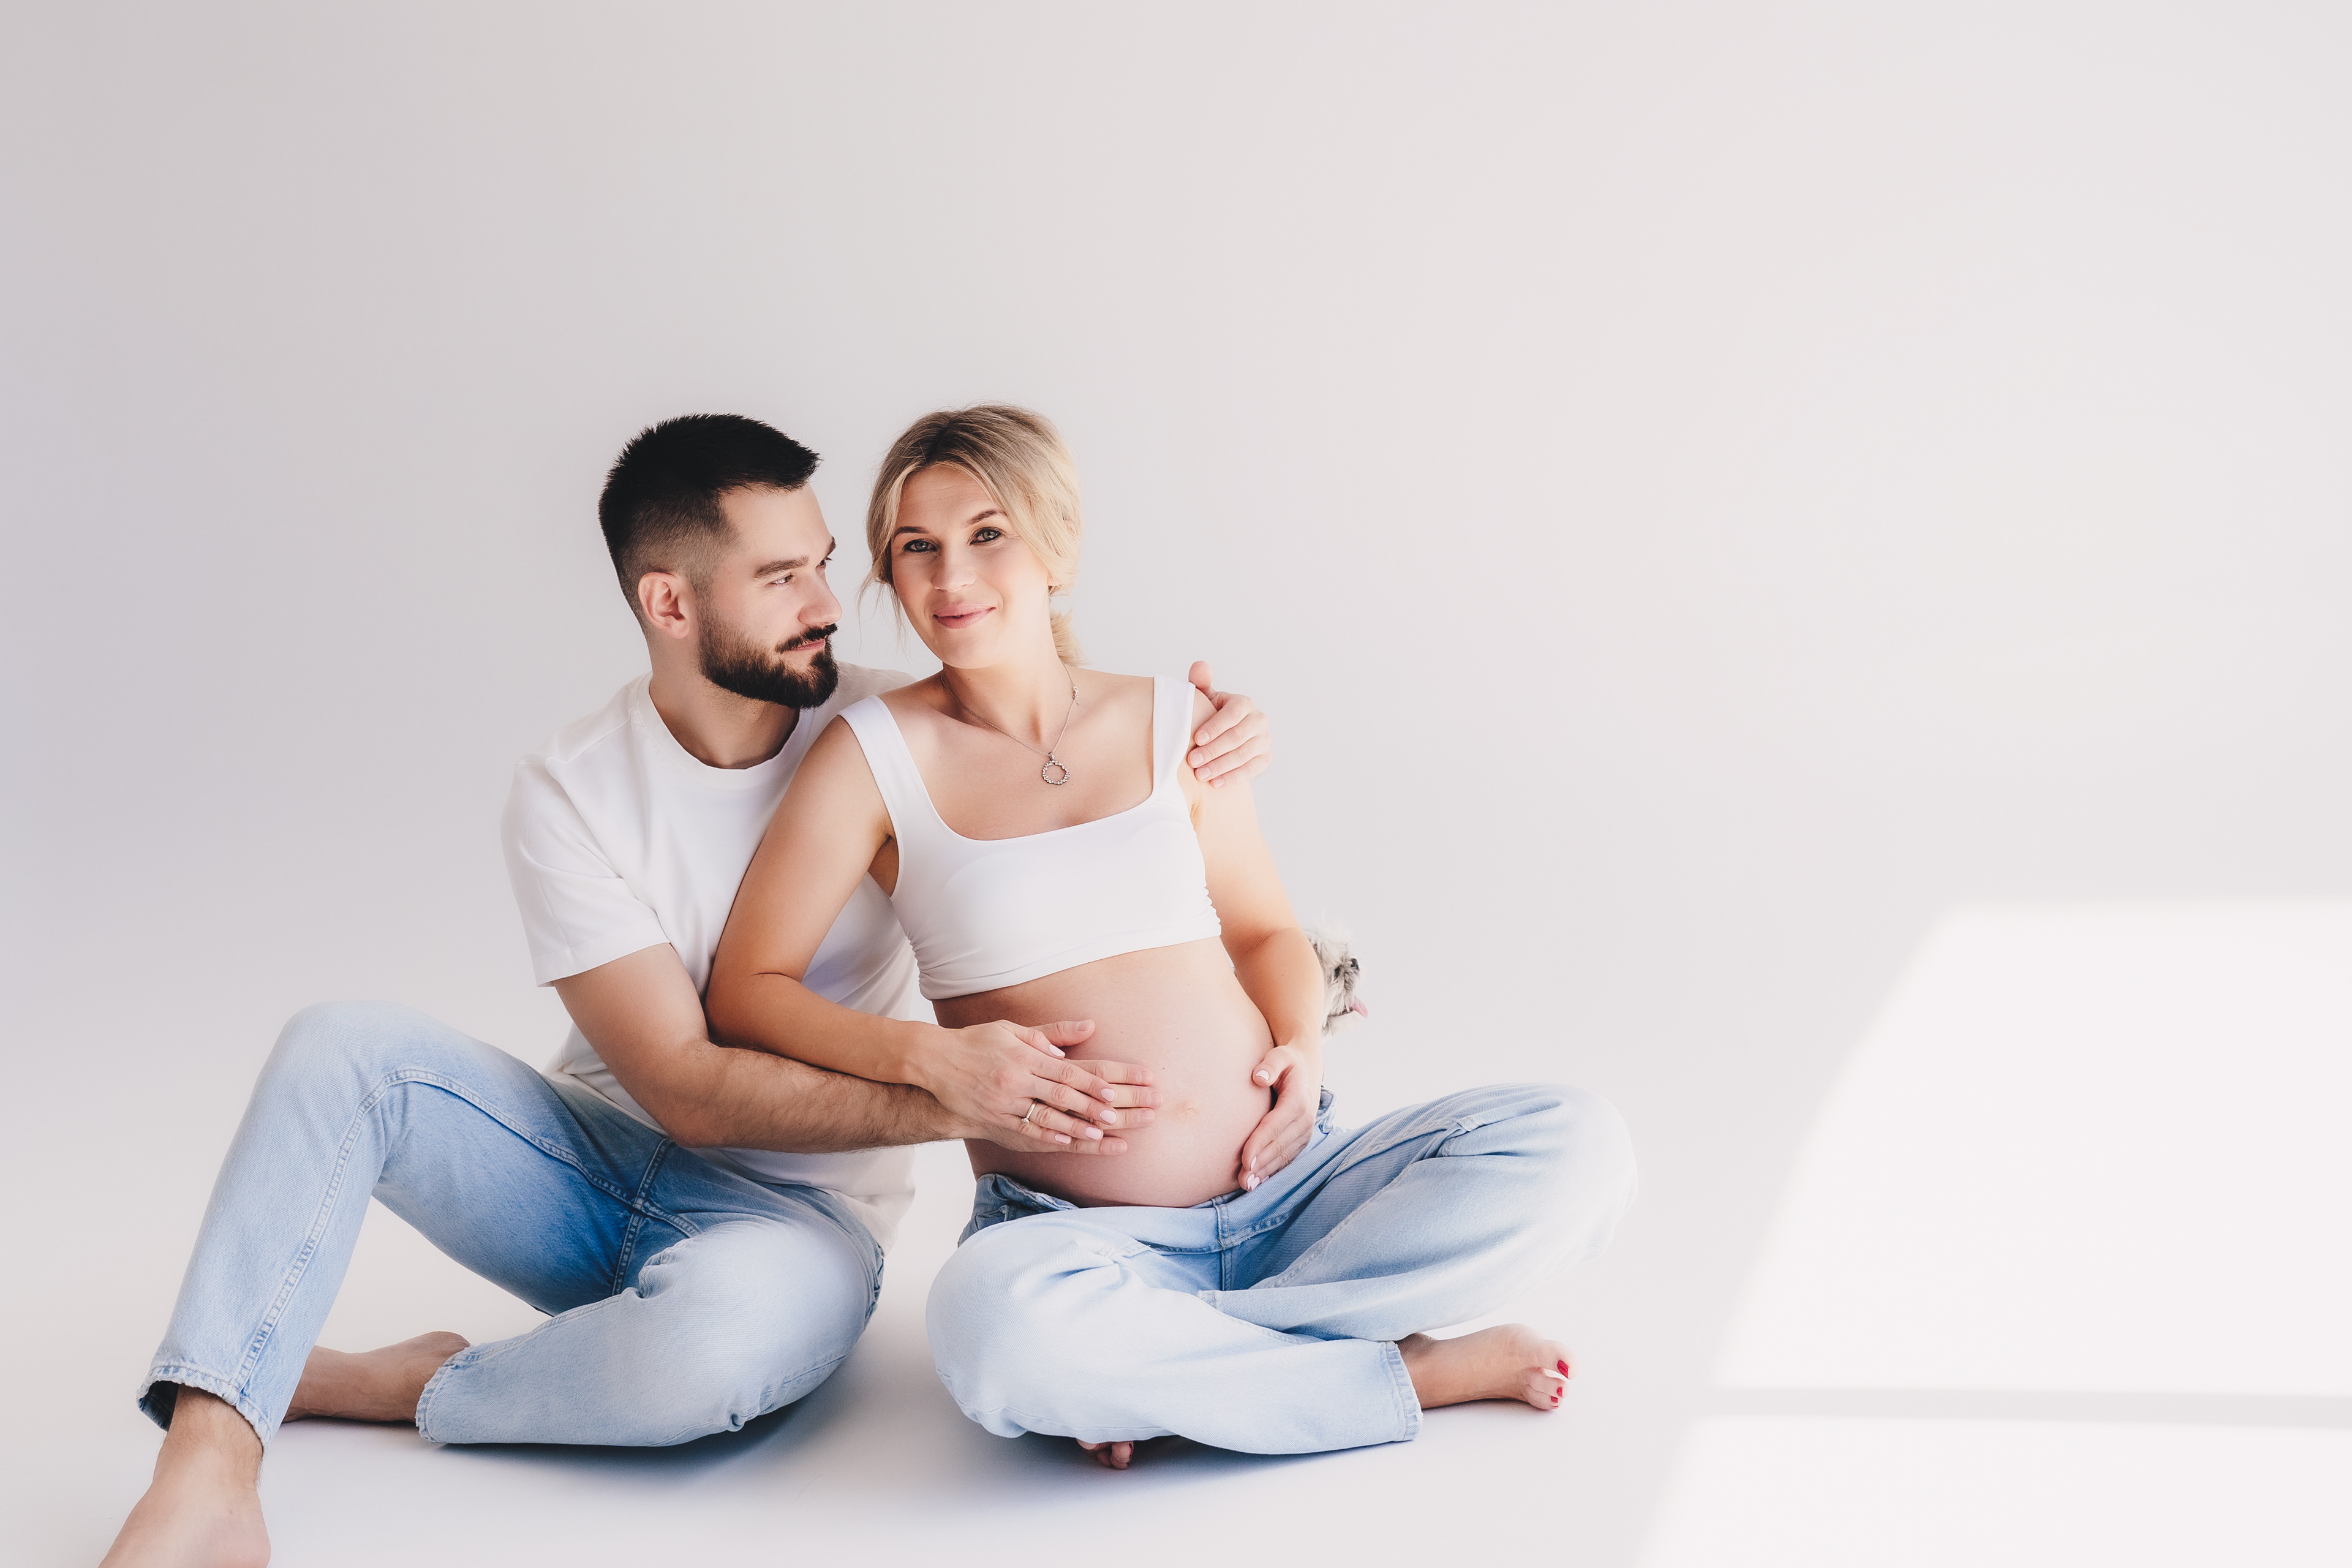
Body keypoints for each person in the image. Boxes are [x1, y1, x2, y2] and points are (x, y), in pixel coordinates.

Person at [101, 413, 1273, 1567]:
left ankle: (410, 1383)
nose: (828, 602)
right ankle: (207, 1462)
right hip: (588, 1165)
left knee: (716, 1354)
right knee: (339, 1048)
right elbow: (683, 1089)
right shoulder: (571, 790)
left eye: (824, 563)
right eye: (781, 577)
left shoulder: (898, 735)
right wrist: (954, 1090)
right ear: (670, 603)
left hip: (799, 1224)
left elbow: (1106, 852)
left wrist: (1208, 740)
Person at [706, 405, 1637, 1469]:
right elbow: (748, 989)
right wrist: (931, 1057)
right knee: (987, 1327)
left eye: (988, 532)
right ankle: (1393, 1369)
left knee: (1579, 1146)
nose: (951, 574)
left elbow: (1267, 933)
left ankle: (1169, 1370)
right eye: (917, 546)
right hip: (1077, 1239)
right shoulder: (871, 756)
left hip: (1295, 1189)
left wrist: (1302, 1050)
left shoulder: (1179, 723)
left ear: (1056, 549)